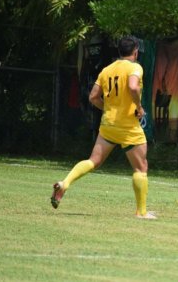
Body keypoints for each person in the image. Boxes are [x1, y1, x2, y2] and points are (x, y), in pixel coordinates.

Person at [51, 36, 156, 219]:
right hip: (128, 126)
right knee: (141, 168)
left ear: (119, 51)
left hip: (108, 124)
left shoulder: (107, 70)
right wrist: (139, 107)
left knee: (93, 161)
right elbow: (133, 87)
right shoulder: (135, 67)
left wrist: (107, 108)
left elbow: (93, 97)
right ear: (136, 51)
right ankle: (141, 212)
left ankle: (65, 183)